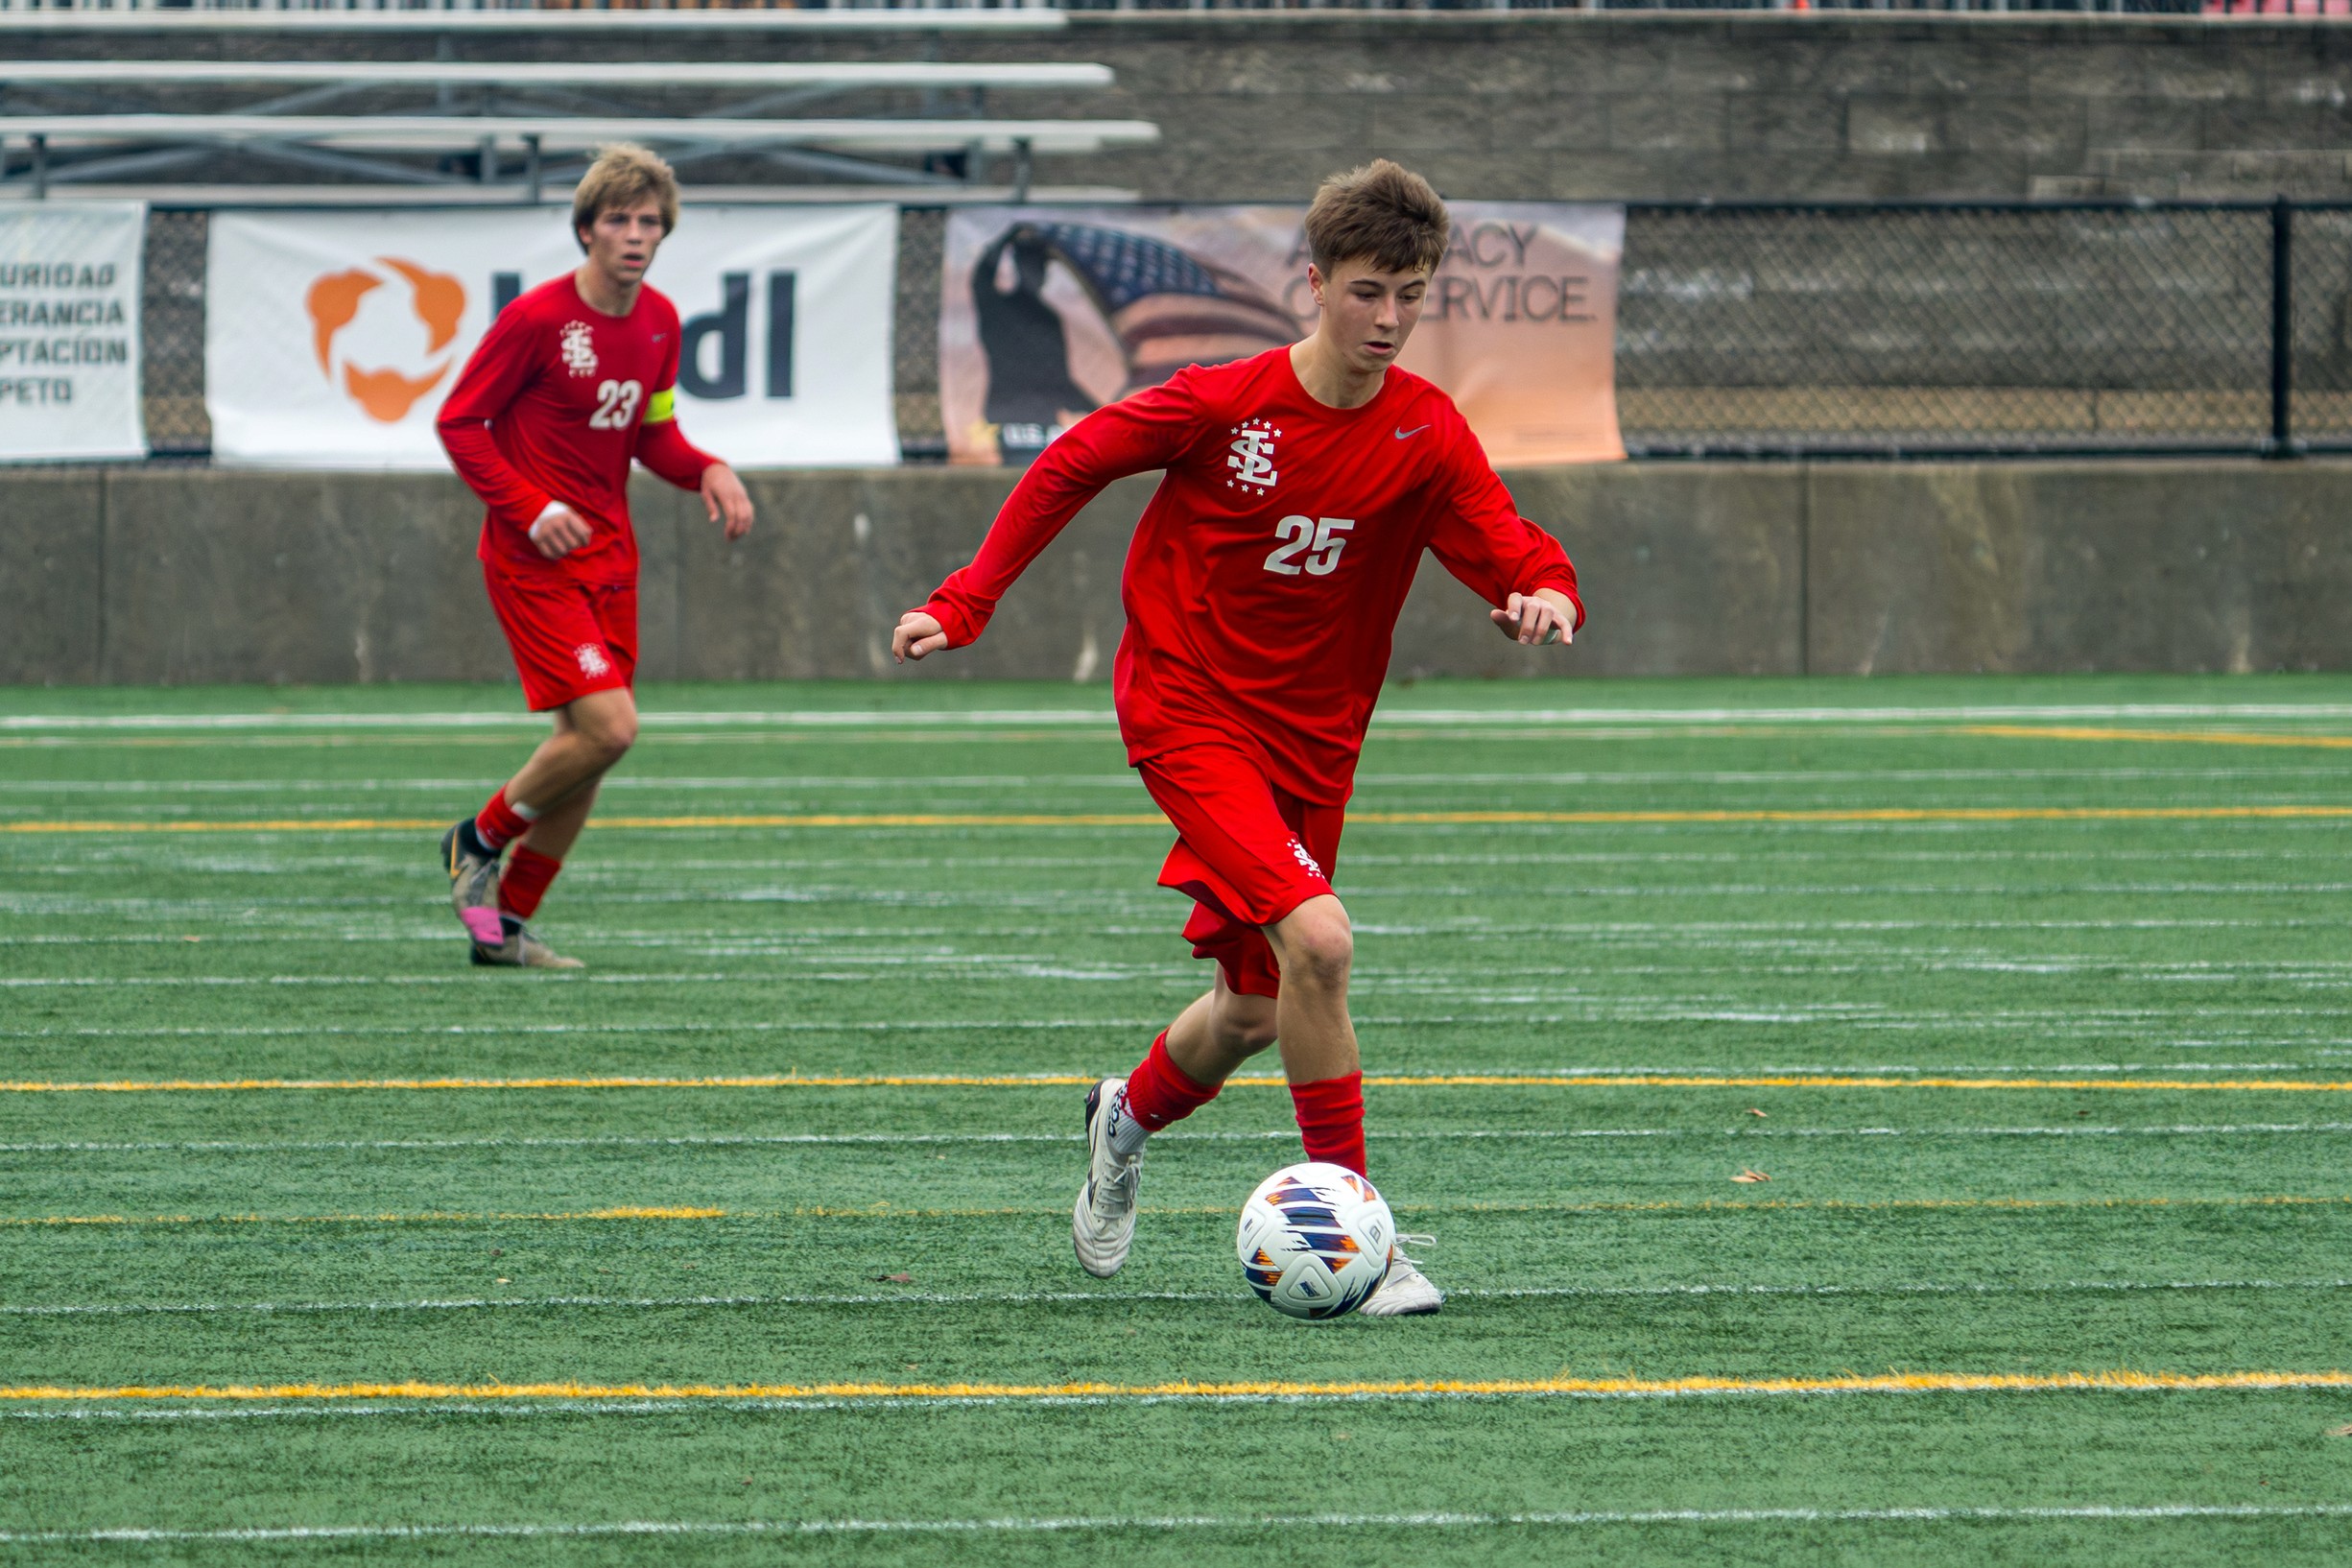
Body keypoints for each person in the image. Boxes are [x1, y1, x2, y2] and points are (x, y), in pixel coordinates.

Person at [893, 160, 1582, 1316]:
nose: (1390, 317)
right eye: (1368, 291)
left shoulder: (1425, 429)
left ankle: (1123, 1118)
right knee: (1322, 939)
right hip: (1189, 708)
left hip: (1314, 743)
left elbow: (1504, 538)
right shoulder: (1224, 403)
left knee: (1258, 1008)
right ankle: (1363, 1238)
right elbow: (1070, 462)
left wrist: (1544, 588)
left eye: (1412, 294)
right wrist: (967, 599)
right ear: (1314, 282)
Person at [435, 144, 753, 968]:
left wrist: (707, 468)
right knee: (611, 730)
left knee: (588, 755)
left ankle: (504, 930)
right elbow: (459, 423)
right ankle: (476, 839)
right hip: (532, 561)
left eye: (649, 222)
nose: (635, 235)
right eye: (618, 219)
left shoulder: (660, 322)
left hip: (612, 562)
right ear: (586, 230)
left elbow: (654, 434)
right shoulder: (537, 320)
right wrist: (530, 507)